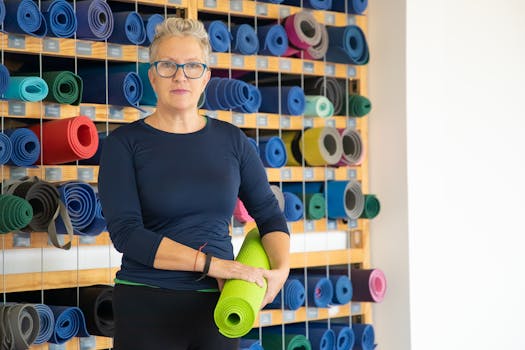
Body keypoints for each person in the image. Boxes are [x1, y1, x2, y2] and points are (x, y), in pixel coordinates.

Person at [98, 17, 290, 350]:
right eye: (168, 65)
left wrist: (281, 272)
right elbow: (127, 234)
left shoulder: (234, 142)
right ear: (152, 76)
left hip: (220, 307)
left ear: (206, 77)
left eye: (191, 66)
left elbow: (270, 215)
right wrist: (213, 265)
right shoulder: (123, 144)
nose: (180, 76)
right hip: (147, 304)